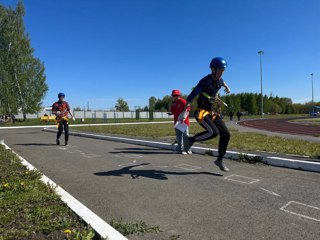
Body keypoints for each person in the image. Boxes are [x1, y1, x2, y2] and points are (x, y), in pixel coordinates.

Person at [184, 57, 231, 171]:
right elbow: (195, 91)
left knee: (226, 134)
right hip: (201, 112)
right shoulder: (206, 80)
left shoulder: (220, 80)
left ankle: (219, 160)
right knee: (214, 132)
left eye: (223, 70)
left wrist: (227, 87)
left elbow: (223, 81)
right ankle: (191, 140)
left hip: (211, 112)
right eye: (220, 69)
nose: (222, 72)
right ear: (213, 69)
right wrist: (188, 103)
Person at [169, 90, 191, 154]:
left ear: (179, 95)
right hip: (177, 122)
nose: (175, 97)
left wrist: (184, 117)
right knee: (178, 136)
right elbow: (173, 111)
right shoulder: (173, 103)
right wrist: (171, 113)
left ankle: (187, 150)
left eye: (176, 95)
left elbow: (188, 109)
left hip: (184, 122)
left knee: (185, 136)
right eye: (174, 95)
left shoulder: (183, 101)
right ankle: (179, 149)